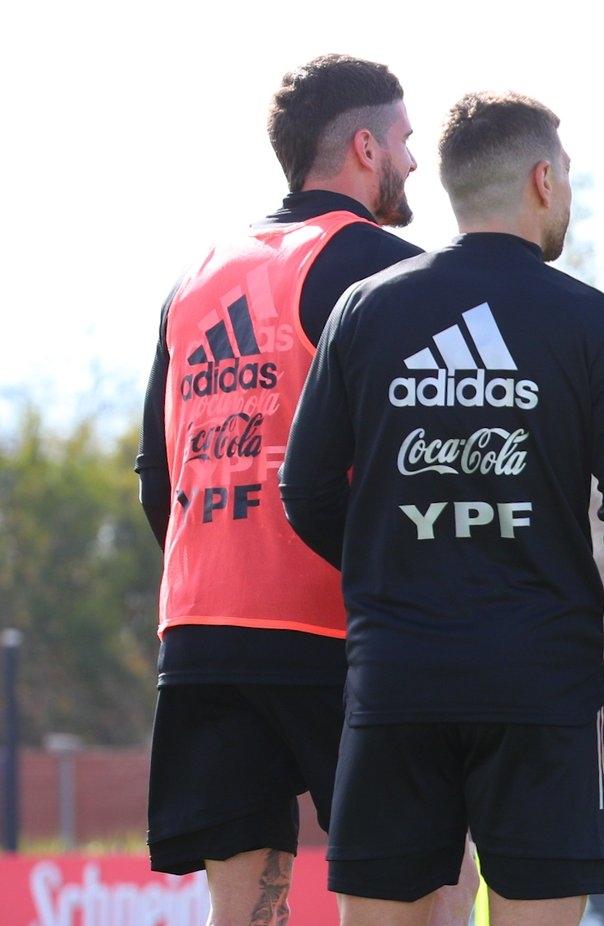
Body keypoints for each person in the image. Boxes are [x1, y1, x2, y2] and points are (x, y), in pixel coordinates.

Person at [279, 91, 604, 926]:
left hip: (396, 683)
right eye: (566, 175)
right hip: (544, 688)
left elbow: (305, 490)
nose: (567, 192)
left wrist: (393, 567)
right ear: (542, 179)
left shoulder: (367, 309)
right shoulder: (592, 323)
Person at [136, 53, 426, 925]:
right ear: (366, 148)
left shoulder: (195, 276)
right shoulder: (384, 269)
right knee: (404, 901)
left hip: (203, 630)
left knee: (244, 913)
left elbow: (159, 475)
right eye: (407, 140)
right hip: (337, 631)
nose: (414, 161)